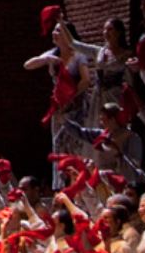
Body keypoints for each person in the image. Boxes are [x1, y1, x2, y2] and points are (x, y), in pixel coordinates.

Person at [24, 21, 90, 188]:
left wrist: (70, 96)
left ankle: (77, 183)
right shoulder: (53, 53)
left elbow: (86, 80)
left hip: (75, 106)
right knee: (58, 144)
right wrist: (46, 59)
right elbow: (28, 65)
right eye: (54, 30)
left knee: (74, 144)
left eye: (58, 31)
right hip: (59, 107)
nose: (54, 33)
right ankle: (60, 184)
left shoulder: (78, 56)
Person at [58, 17, 131, 128]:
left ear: (119, 32)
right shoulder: (99, 51)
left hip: (114, 95)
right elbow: (73, 43)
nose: (106, 33)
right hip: (98, 96)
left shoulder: (126, 55)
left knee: (114, 124)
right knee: (97, 125)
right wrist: (61, 23)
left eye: (110, 29)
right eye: (105, 29)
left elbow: (131, 80)